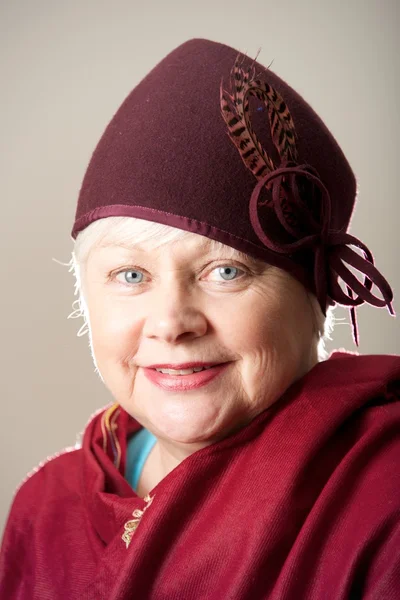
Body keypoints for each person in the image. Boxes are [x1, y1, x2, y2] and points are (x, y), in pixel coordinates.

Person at [0, 37, 399, 600]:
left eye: (225, 272)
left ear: (316, 296)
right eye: (131, 275)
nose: (171, 322)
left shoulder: (385, 499)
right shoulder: (45, 508)